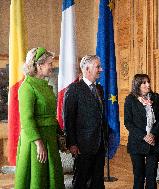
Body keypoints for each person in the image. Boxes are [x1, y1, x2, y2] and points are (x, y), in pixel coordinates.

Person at [14, 47, 64, 189]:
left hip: (49, 138)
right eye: (49, 63)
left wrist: (60, 133)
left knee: (52, 177)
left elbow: (50, 115)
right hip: (35, 141)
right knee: (37, 178)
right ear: (39, 65)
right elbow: (27, 119)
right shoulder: (27, 87)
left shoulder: (47, 87)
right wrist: (39, 144)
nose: (52, 67)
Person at [63, 55, 106, 189]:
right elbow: (68, 119)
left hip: (99, 144)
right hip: (82, 146)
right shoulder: (74, 89)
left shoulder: (99, 89)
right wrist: (72, 143)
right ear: (87, 69)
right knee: (81, 182)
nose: (101, 69)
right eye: (98, 67)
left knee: (97, 182)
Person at [124, 74, 159, 189]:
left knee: (151, 177)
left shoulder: (156, 98)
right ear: (137, 85)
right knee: (139, 177)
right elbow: (128, 122)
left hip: (154, 141)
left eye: (148, 82)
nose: (148, 85)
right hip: (137, 142)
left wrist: (153, 134)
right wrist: (144, 136)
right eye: (144, 83)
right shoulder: (130, 99)